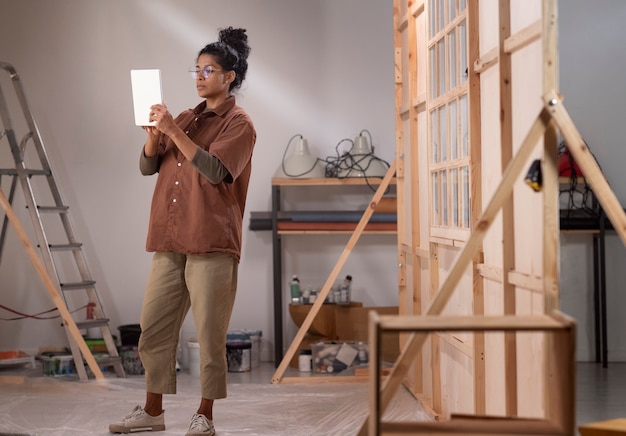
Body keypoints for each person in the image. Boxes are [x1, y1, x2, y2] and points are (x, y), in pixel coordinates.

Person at [109, 27, 255, 436]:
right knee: (153, 326)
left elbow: (214, 170)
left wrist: (172, 131)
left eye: (208, 70)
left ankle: (205, 415)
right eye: (196, 69)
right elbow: (146, 168)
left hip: (211, 242)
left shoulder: (240, 124)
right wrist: (155, 139)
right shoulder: (187, 118)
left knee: (210, 334)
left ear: (229, 76)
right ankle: (152, 412)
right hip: (171, 240)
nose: (199, 76)